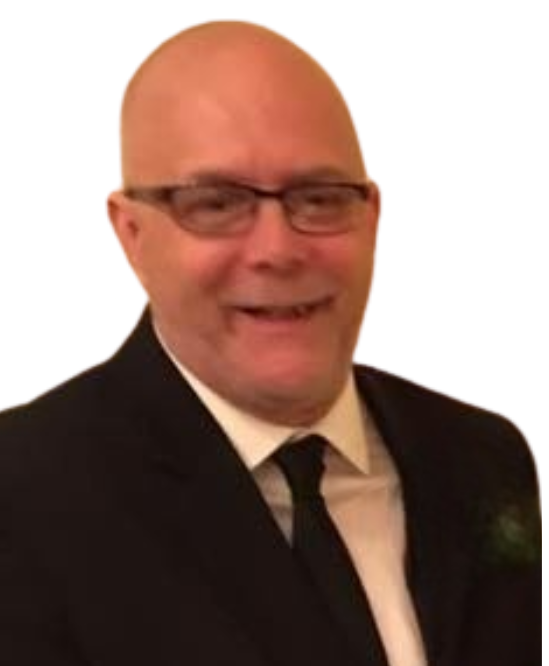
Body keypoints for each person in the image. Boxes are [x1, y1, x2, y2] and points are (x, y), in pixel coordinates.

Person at [0, 21, 540, 666]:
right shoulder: (22, 499)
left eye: (320, 198)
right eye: (215, 204)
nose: (278, 250)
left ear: (371, 217)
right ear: (131, 234)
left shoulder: (483, 460)